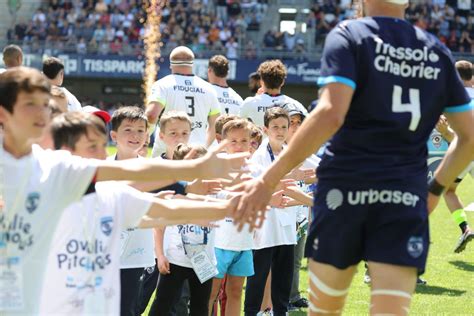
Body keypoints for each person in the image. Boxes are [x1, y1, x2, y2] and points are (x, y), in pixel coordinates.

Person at [233, 1, 474, 314]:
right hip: (403, 196)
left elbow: (331, 114)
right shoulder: (436, 50)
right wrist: (434, 191)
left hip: (344, 193)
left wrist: (268, 179)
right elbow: (468, 137)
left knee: (327, 309)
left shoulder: (350, 35)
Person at [0, 66, 247, 315]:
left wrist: (216, 193)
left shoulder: (56, 168)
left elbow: (129, 175)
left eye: (45, 104)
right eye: (30, 104)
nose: (42, 112)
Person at [38, 111, 240, 314]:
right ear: (64, 150)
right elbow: (128, 176)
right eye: (92, 146)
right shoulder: (48, 185)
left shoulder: (111, 193)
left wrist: (224, 205)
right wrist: (186, 176)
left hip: (118, 274)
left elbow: (156, 209)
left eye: (101, 145)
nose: (101, 155)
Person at [150, 145, 216, 316]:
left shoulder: (213, 190)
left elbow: (234, 199)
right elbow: (159, 225)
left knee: (200, 308)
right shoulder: (173, 192)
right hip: (175, 260)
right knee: (162, 305)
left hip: (204, 260)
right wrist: (160, 255)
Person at [209, 119, 256, 316]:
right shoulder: (216, 168)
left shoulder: (255, 169)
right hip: (218, 243)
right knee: (210, 295)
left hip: (244, 243)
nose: (239, 146)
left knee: (236, 292)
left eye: (244, 141)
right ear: (224, 143)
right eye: (234, 141)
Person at [430, 60, 474, 253]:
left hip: (463, 149)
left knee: (448, 190)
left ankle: (465, 228)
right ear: (471, 77)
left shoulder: (452, 97)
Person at [145, 46, 221, 157]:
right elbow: (215, 124)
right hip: (196, 152)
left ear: (171, 64)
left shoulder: (163, 84)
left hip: (167, 151)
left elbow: (152, 115)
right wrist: (204, 145)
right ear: (192, 64)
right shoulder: (209, 88)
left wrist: (145, 135)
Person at [239, 60, 307, 128]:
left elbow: (236, 125)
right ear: (282, 82)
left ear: (261, 81)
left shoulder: (250, 102)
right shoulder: (296, 105)